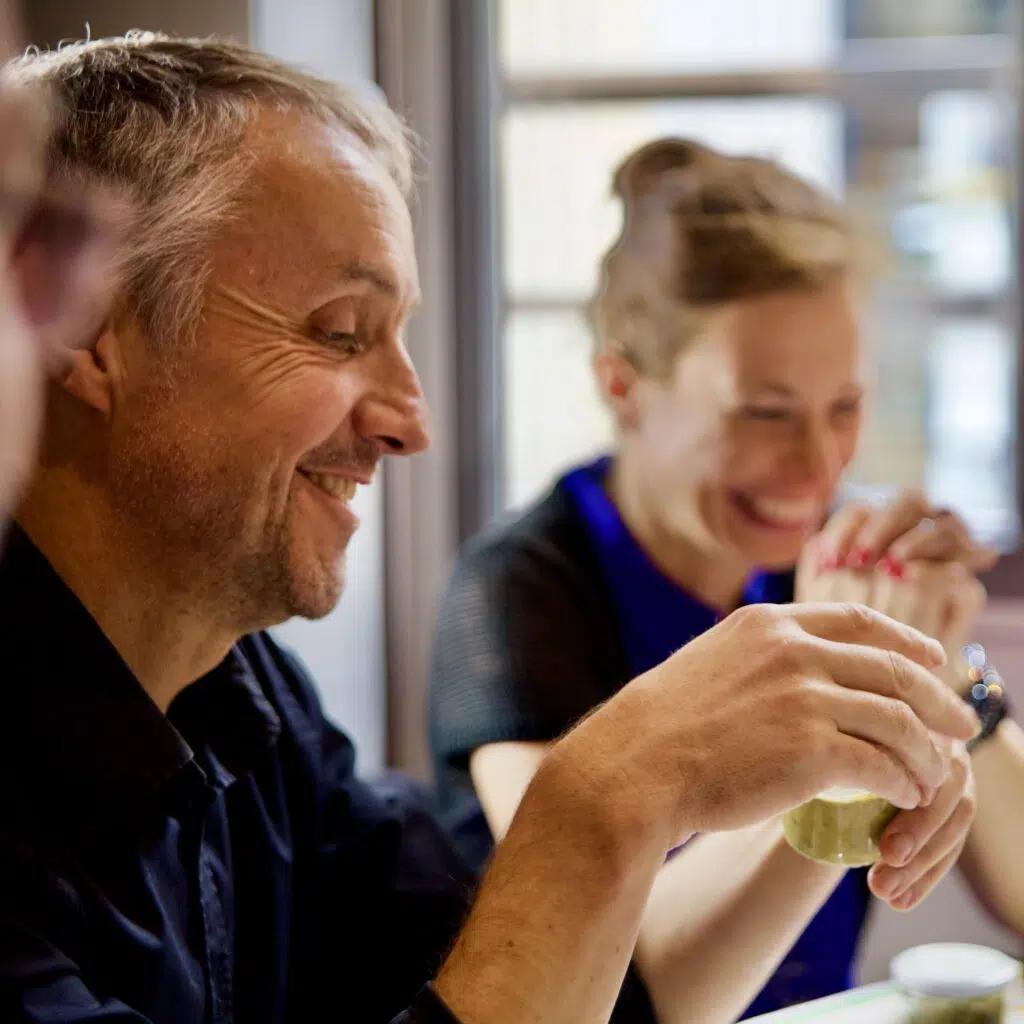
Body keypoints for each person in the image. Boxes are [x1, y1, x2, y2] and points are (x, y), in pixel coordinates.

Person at [0, 36, 981, 1024]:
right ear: (90, 325)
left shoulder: (245, 701)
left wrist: (892, 735)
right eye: (341, 331)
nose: (410, 421)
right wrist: (610, 788)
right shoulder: (520, 583)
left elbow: (579, 995)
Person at [430, 138, 1024, 1022]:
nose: (817, 464)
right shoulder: (520, 592)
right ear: (623, 385)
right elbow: (642, 979)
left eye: (845, 407)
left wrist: (936, 677)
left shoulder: (837, 557)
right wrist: (849, 697)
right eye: (765, 412)